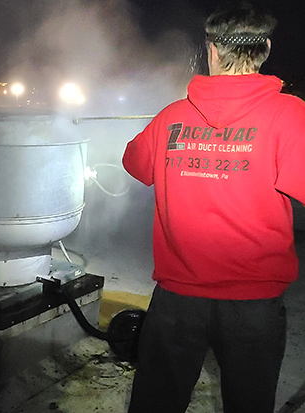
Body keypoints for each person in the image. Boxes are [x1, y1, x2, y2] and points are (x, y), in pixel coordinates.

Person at [122, 3, 305, 413]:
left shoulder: (172, 116)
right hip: (254, 307)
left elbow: (134, 162)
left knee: (156, 403)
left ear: (212, 52)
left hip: (176, 301)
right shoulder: (290, 115)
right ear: (264, 50)